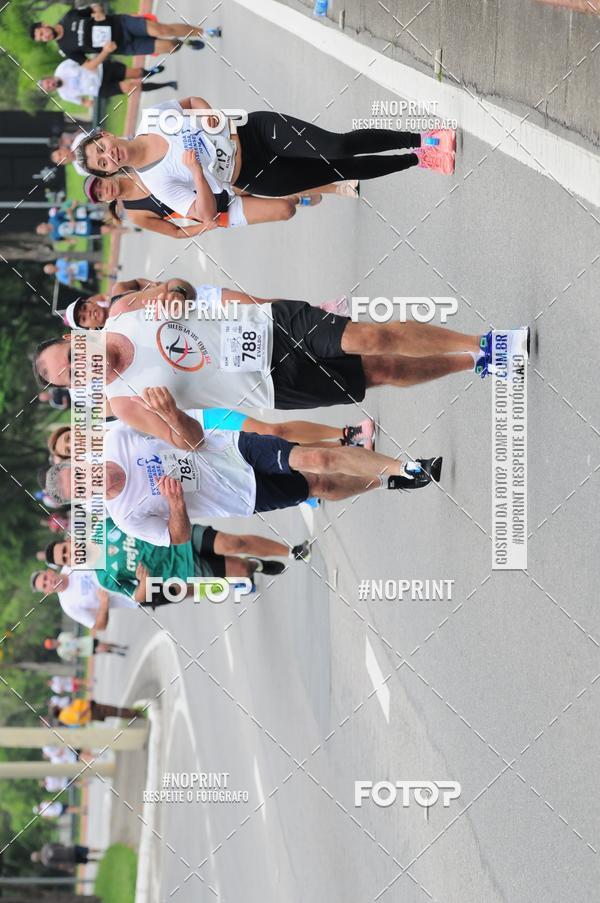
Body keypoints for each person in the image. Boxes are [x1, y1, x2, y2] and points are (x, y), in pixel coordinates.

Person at [34, 279, 528, 446]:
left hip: (268, 325)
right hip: (267, 384)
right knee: (385, 371)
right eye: (74, 377)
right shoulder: (124, 403)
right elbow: (191, 441)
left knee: (370, 335)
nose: (83, 367)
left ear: (77, 338)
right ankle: (473, 364)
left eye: (73, 357)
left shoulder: (122, 312)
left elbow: (180, 287)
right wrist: (169, 416)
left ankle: (485, 342)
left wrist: (172, 293)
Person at [44, 397, 442, 549]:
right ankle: (385, 480)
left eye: (82, 473)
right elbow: (176, 537)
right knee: (319, 485)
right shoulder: (125, 516)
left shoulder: (115, 437)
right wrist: (175, 503)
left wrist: (168, 413)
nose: (90, 480)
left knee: (315, 461)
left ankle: (406, 466)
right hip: (238, 496)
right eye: (81, 488)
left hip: (231, 448)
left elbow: (177, 430)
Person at [72, 98, 456, 228]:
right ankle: (418, 159)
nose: (109, 156)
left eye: (101, 147)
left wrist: (210, 113)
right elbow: (205, 214)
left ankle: (423, 137)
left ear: (105, 135)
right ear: (109, 171)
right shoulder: (156, 183)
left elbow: (189, 102)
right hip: (257, 176)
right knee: (343, 172)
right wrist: (196, 175)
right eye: (102, 163)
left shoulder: (153, 118)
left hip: (254, 132)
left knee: (336, 147)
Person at [46, 519, 310, 604]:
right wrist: (143, 583)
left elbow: (134, 513)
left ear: (69, 541)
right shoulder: (104, 577)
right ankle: (255, 565)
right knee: (240, 569)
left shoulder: (103, 527)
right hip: (181, 569)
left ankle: (290, 551)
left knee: (233, 543)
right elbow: (136, 597)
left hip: (178, 538)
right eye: (66, 560)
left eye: (66, 550)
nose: (71, 555)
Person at [83, 171, 358, 237]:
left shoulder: (138, 165)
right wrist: (206, 226)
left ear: (104, 174)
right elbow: (177, 233)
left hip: (218, 181)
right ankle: (294, 198)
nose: (104, 189)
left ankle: (338, 187)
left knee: (281, 182)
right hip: (216, 211)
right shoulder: (136, 214)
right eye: (101, 194)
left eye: (100, 183)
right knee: (285, 210)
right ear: (106, 200)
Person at [31, 9, 220, 59]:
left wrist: (98, 13)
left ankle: (203, 32)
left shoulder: (69, 17)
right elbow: (88, 65)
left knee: (162, 30)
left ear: (44, 24)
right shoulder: (65, 48)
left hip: (122, 24)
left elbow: (94, 7)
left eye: (41, 32)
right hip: (124, 46)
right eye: (40, 38)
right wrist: (105, 52)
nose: (44, 36)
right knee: (169, 47)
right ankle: (183, 42)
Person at [39, 57, 176, 106]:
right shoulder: (65, 95)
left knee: (137, 73)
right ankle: (167, 84)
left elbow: (83, 60)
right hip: (100, 88)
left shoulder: (62, 68)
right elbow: (83, 102)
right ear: (50, 90)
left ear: (48, 78)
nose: (50, 85)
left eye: (48, 83)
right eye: (49, 88)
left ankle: (150, 71)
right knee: (132, 86)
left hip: (103, 70)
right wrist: (90, 103)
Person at [30, 567, 137, 630]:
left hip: (132, 571)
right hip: (135, 596)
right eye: (45, 585)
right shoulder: (68, 605)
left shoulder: (70, 562)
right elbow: (99, 626)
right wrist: (104, 605)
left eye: (45, 578)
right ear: (47, 592)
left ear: (50, 572)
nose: (48, 582)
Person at [56, 697, 141, 725]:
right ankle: (136, 713)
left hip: (92, 711)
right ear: (57, 709)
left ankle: (134, 713)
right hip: (92, 711)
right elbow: (78, 716)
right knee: (115, 711)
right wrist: (88, 707)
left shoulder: (63, 716)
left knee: (115, 711)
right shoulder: (64, 715)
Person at [43, 633, 127, 660]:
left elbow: (73, 635)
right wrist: (75, 653)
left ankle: (119, 646)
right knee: (102, 648)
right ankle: (117, 652)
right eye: (52, 645)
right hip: (86, 650)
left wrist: (73, 638)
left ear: (53, 639)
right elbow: (70, 658)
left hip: (86, 641)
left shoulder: (62, 636)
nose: (54, 643)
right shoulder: (61, 652)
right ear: (53, 648)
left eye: (52, 642)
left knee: (105, 644)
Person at [31, 843, 100, 870]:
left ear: (38, 860)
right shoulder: (45, 847)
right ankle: (102, 851)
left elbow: (60, 865)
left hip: (70, 859)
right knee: (88, 850)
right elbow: (59, 844)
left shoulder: (46, 862)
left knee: (86, 860)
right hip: (70, 849)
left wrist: (69, 867)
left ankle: (99, 861)